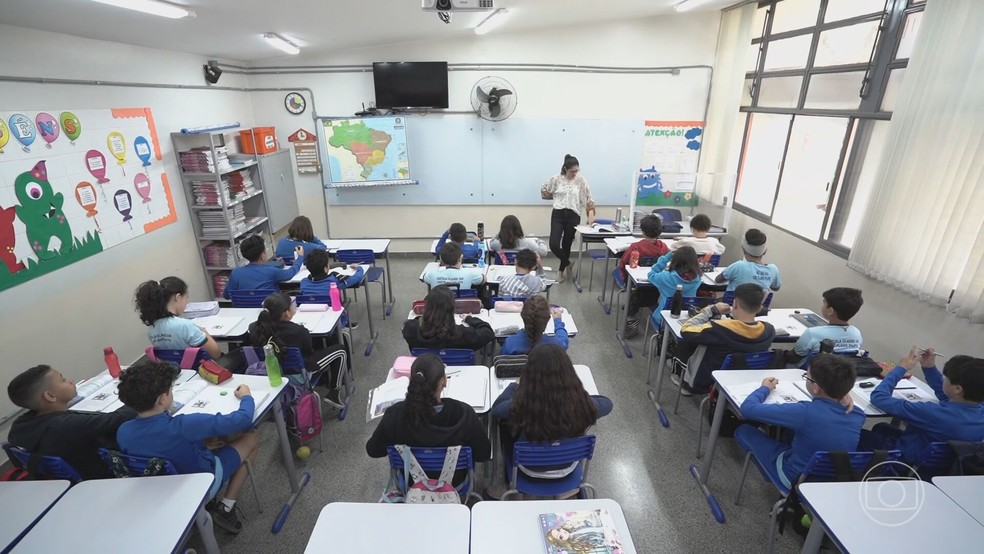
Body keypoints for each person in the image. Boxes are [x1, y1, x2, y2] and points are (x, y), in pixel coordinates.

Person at [116, 360, 260, 533]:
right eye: (170, 389)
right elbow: (242, 419)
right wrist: (246, 396)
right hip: (200, 483)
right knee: (251, 438)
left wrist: (200, 444)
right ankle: (226, 507)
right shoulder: (185, 425)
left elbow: (159, 449)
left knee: (217, 440)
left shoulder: (123, 431)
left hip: (160, 489)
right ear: (163, 398)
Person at [489, 344, 613, 498]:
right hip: (569, 467)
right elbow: (607, 404)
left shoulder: (522, 405)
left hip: (528, 470)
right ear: (568, 373)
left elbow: (497, 408)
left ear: (529, 374)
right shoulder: (580, 405)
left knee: (503, 425)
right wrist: (579, 396)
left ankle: (506, 482)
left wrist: (515, 384)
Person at [734, 354, 864, 489]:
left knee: (744, 431)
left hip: (795, 479)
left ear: (816, 388)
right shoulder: (858, 414)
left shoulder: (804, 412)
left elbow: (747, 409)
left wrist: (765, 388)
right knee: (791, 433)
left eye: (807, 377)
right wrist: (842, 393)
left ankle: (770, 472)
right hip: (833, 481)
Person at [365, 355, 491, 485]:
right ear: (444, 382)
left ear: (412, 381)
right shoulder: (464, 414)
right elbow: (484, 453)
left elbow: (373, 450)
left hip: (411, 481)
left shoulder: (394, 414)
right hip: (455, 481)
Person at [6, 364, 136, 480]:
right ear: (50, 396)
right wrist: (138, 395)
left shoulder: (20, 426)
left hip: (65, 479)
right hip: (102, 477)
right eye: (63, 380)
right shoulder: (67, 425)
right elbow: (118, 419)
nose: (70, 381)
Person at [861, 348, 984, 464]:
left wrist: (901, 368)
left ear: (958, 388)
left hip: (904, 459)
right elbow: (948, 395)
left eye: (946, 378)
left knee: (862, 435)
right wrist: (929, 367)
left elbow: (879, 398)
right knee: (881, 427)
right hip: (939, 462)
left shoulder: (932, 412)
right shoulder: (976, 408)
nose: (944, 380)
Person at [246, 292, 348, 408]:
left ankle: (324, 380)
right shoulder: (299, 331)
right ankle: (334, 392)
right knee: (340, 350)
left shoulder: (255, 327)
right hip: (298, 375)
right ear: (286, 313)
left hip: (271, 373)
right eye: (292, 305)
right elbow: (309, 352)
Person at [676, 283, 777, 395]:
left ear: (735, 304)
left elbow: (685, 330)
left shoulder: (717, 329)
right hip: (744, 382)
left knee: (687, 343)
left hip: (707, 383)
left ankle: (687, 386)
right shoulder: (769, 330)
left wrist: (711, 310)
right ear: (759, 308)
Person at [135, 276, 226, 363]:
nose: (187, 303)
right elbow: (216, 354)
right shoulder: (185, 326)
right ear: (178, 297)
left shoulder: (151, 330)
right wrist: (205, 333)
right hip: (201, 372)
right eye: (186, 298)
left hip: (177, 373)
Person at [541, 154, 596, 282]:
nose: (575, 173)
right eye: (572, 171)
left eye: (577, 170)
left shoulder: (581, 181)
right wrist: (554, 197)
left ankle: (561, 272)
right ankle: (568, 263)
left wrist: (591, 216)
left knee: (566, 244)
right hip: (558, 215)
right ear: (565, 168)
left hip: (573, 215)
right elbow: (544, 190)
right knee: (554, 244)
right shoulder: (556, 179)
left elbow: (589, 198)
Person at [617, 215, 671, 338]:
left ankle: (631, 320)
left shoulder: (636, 247)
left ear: (642, 230)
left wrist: (626, 280)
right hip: (657, 286)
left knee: (635, 293)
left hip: (638, 286)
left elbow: (624, 264)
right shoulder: (663, 247)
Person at [403, 285, 495, 352]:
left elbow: (409, 324)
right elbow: (488, 332)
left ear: (427, 307)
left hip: (427, 373)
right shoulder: (461, 334)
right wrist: (469, 319)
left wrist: (424, 318)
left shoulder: (411, 329)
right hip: (460, 374)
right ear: (452, 309)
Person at [786, 287, 864, 365]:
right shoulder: (856, 333)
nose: (822, 305)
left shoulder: (812, 333)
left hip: (809, 373)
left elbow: (794, 358)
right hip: (840, 373)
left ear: (830, 311)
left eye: (824, 303)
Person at [224, 235, 304, 299]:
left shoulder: (236, 273)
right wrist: (300, 257)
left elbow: (227, 295)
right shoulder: (271, 271)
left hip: (244, 313)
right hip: (270, 312)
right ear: (263, 255)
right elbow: (290, 273)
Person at [644, 246, 703, 327]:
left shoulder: (666, 277)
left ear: (674, 260)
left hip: (664, 319)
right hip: (686, 319)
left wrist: (665, 258)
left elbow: (651, 275)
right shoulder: (697, 279)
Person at [716, 229, 781, 293]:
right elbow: (776, 287)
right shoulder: (773, 269)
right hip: (757, 303)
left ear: (743, 249)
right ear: (765, 251)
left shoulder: (738, 266)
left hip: (732, 303)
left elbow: (718, 280)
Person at [501, 296, 569, 355]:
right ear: (548, 318)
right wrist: (557, 321)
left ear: (522, 315)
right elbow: (564, 341)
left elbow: (502, 363)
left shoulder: (510, 343)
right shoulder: (555, 344)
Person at [300, 248, 364, 296]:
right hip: (331, 312)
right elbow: (357, 278)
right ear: (325, 268)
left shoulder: (304, 283)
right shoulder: (334, 281)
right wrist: (359, 268)